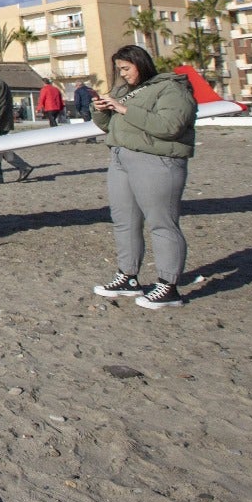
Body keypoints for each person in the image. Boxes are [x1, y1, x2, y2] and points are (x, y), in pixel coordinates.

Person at [90, 45, 199, 309]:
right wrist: (101, 109)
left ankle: (168, 285)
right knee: (124, 221)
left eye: (126, 68)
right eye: (119, 70)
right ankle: (128, 277)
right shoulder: (125, 92)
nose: (123, 75)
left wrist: (125, 109)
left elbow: (170, 126)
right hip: (121, 159)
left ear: (141, 63)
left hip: (157, 161)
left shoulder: (173, 89)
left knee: (162, 222)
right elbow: (109, 126)